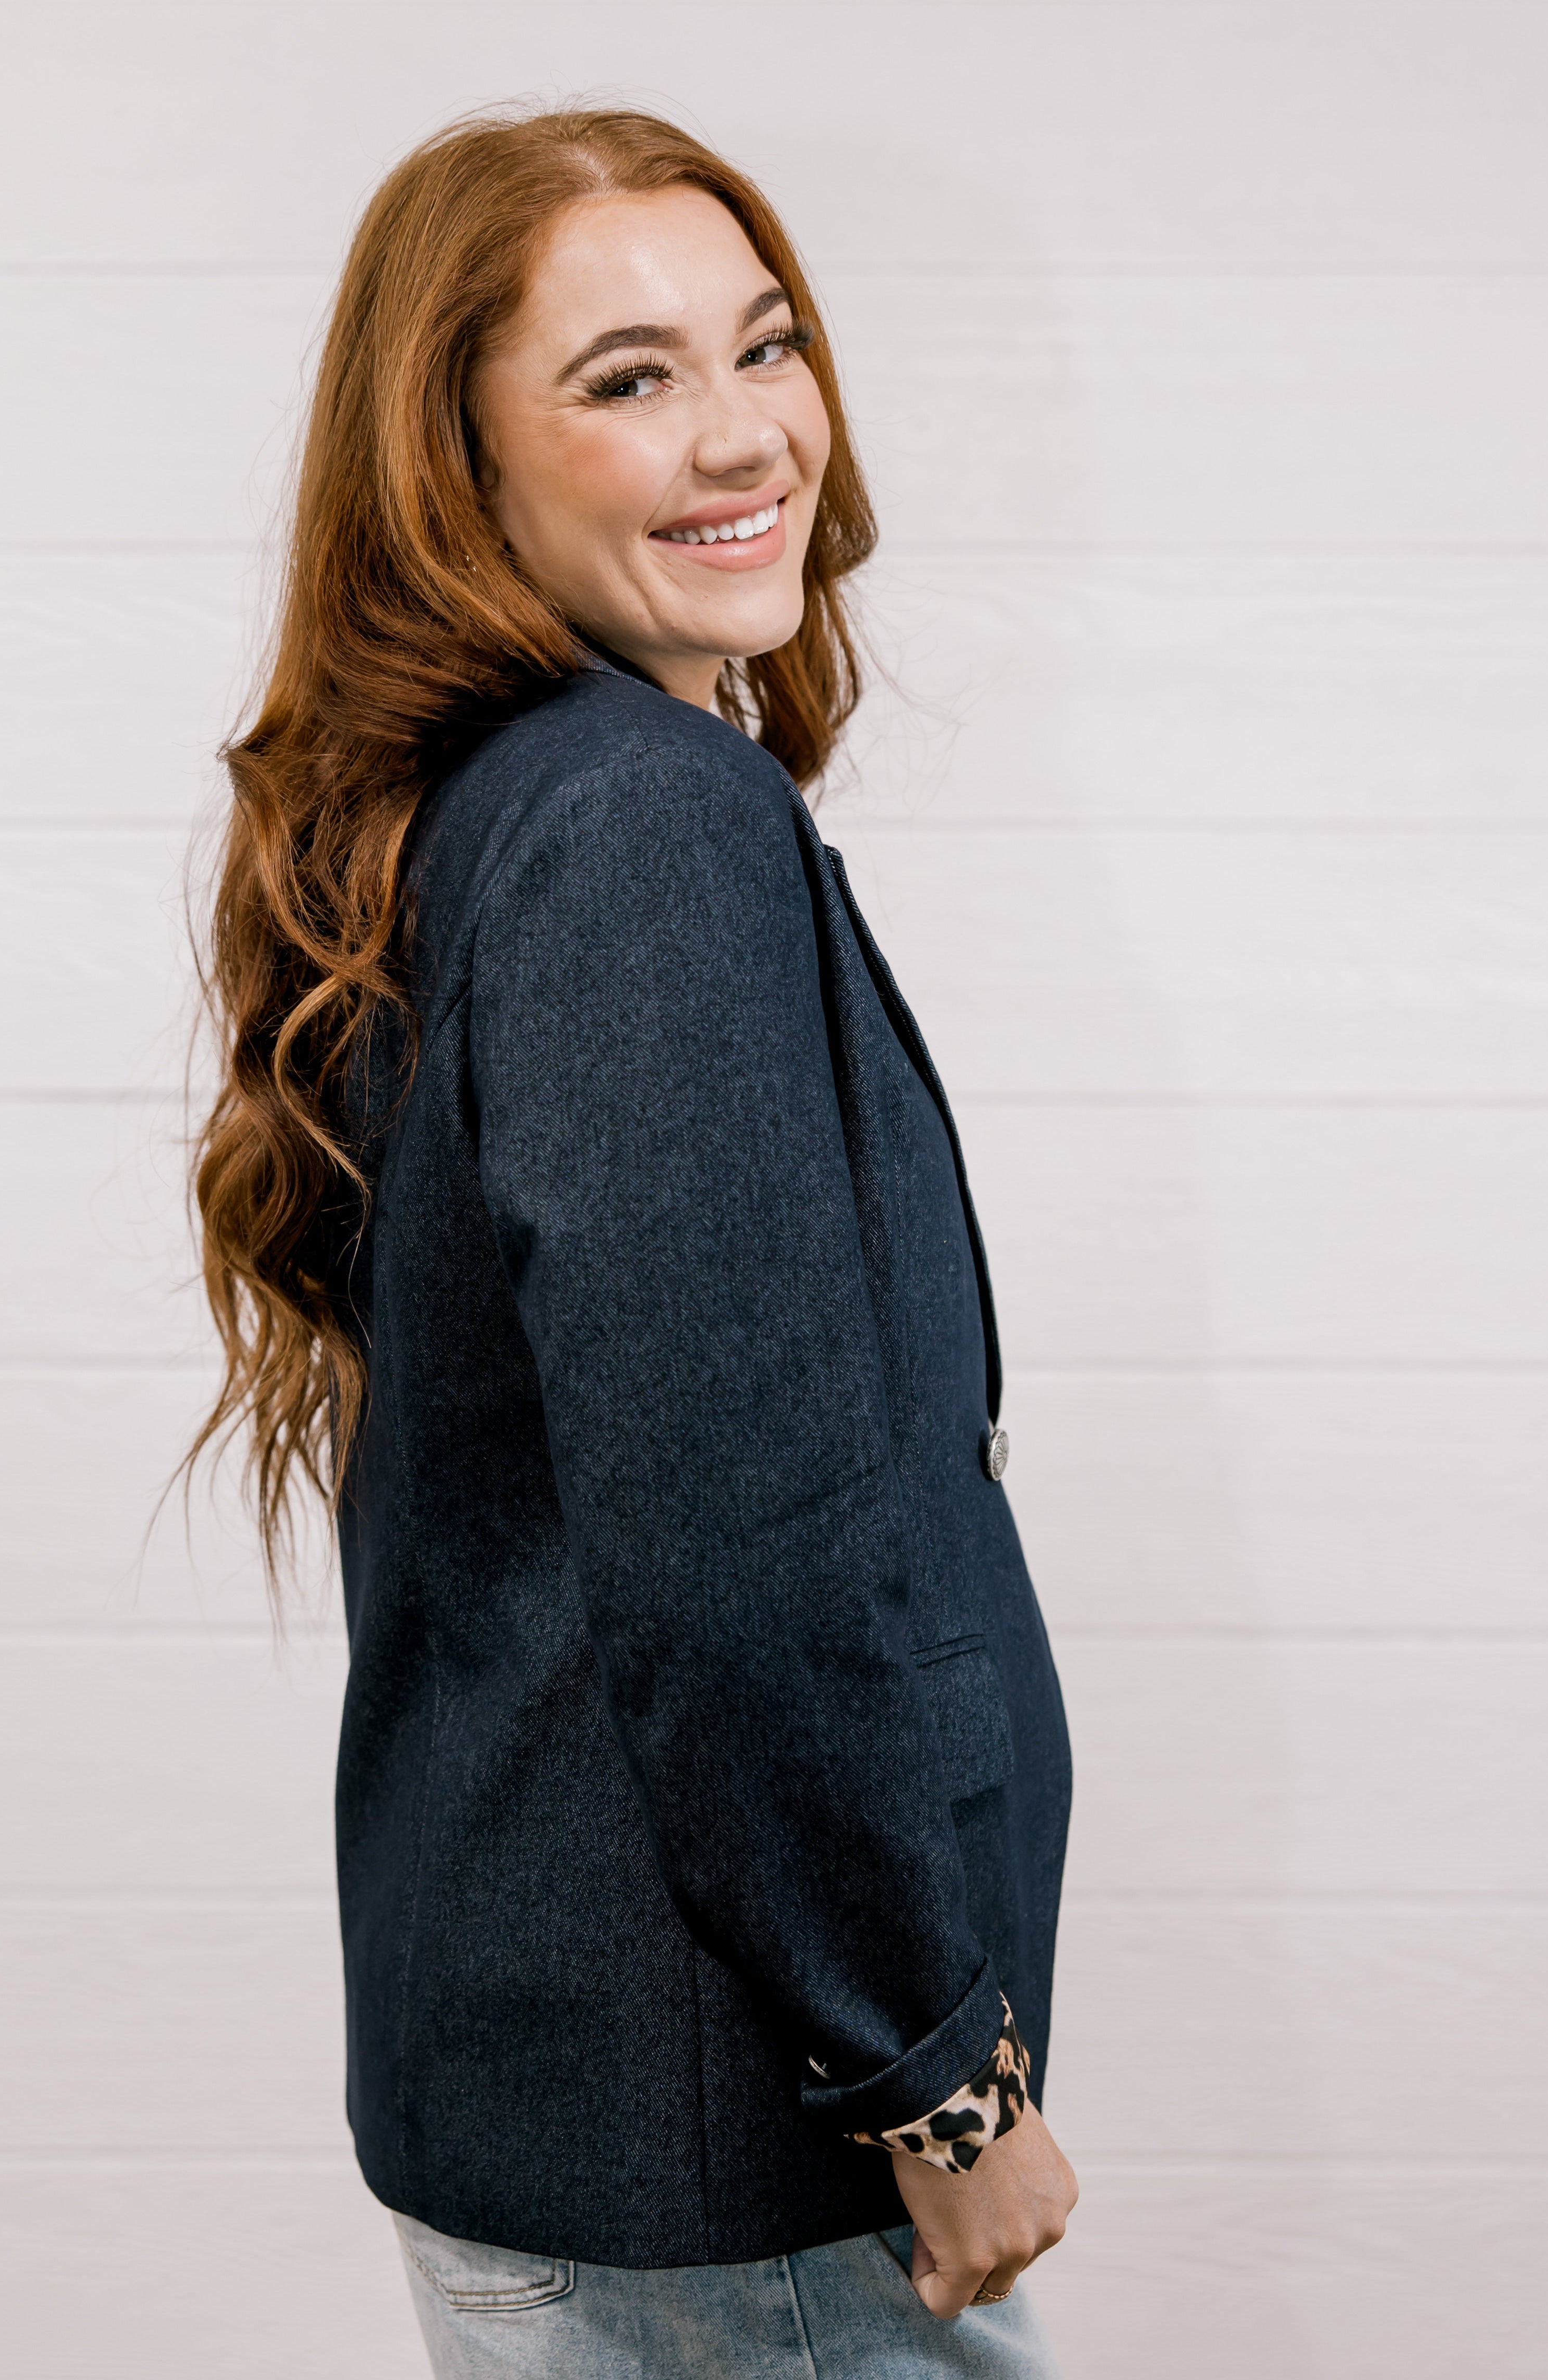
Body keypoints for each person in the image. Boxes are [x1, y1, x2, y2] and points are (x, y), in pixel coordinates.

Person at [189, 103, 1077, 2379]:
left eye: (760, 346)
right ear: (450, 462)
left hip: (597, 2120)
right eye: (622, 378)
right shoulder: (637, 830)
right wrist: (929, 2068)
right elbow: (735, 1537)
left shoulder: (491, 810)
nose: (738, 433)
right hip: (732, 2167)